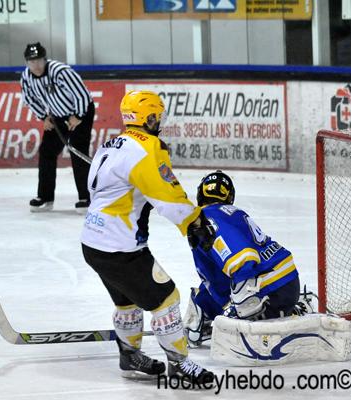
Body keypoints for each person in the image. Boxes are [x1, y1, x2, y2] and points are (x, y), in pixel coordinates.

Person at [80, 90, 214, 385]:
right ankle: (179, 364)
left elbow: (97, 187)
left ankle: (129, 356)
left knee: (127, 302)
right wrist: (193, 222)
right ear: (150, 117)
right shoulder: (149, 147)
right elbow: (166, 194)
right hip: (120, 248)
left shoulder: (109, 146)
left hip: (92, 243)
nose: (161, 122)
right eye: (159, 116)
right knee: (167, 300)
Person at [183, 170, 303, 346]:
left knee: (239, 306)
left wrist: (244, 301)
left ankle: (259, 308)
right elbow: (218, 276)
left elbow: (242, 256)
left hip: (267, 293)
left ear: (200, 193)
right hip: (285, 281)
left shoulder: (206, 218)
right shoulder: (232, 212)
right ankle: (209, 310)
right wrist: (205, 305)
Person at [20, 42, 94, 213]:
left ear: (45, 60)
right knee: (47, 151)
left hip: (80, 111)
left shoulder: (60, 71)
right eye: (31, 62)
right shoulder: (26, 77)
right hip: (56, 116)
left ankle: (87, 197)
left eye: (39, 61)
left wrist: (78, 116)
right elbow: (29, 99)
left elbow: (81, 94)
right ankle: (45, 197)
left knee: (77, 152)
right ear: (26, 63)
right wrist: (43, 117)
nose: (35, 66)